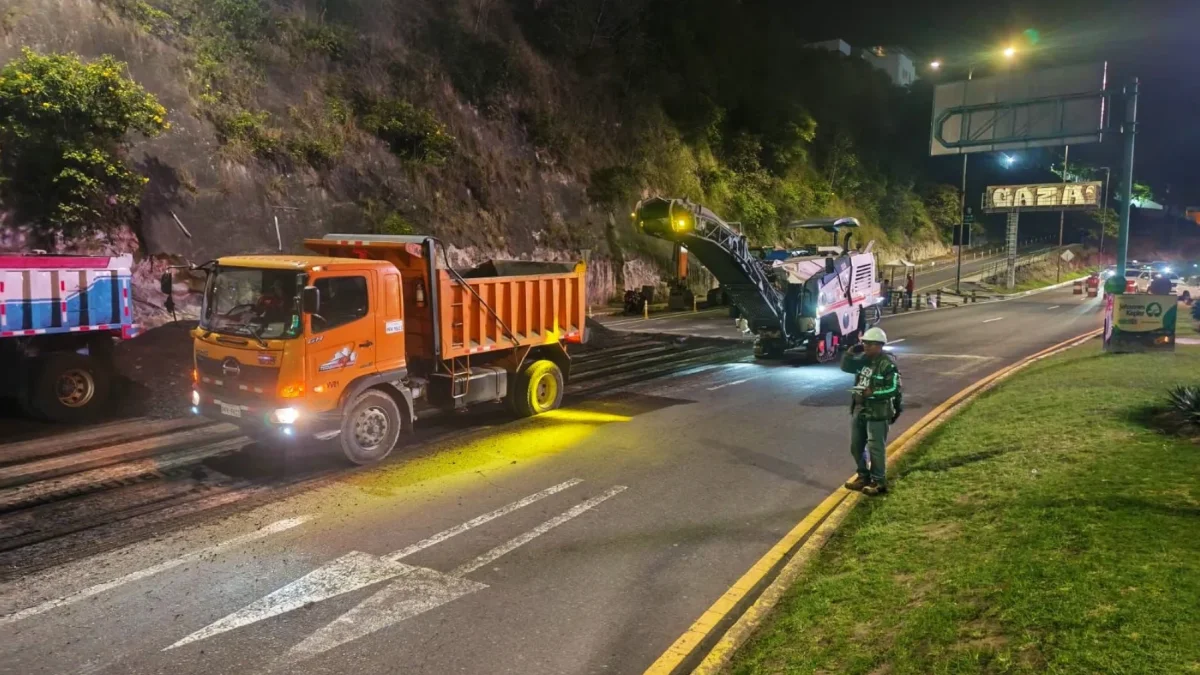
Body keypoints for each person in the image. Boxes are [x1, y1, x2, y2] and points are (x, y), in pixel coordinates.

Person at [840, 326, 903, 496]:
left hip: (878, 412)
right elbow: (846, 367)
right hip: (860, 409)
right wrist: (850, 353)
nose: (866, 347)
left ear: (880, 345)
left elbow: (894, 389)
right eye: (865, 343)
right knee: (856, 446)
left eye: (871, 344)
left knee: (876, 448)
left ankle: (879, 481)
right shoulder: (862, 360)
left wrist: (873, 393)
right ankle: (863, 476)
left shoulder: (887, 365)